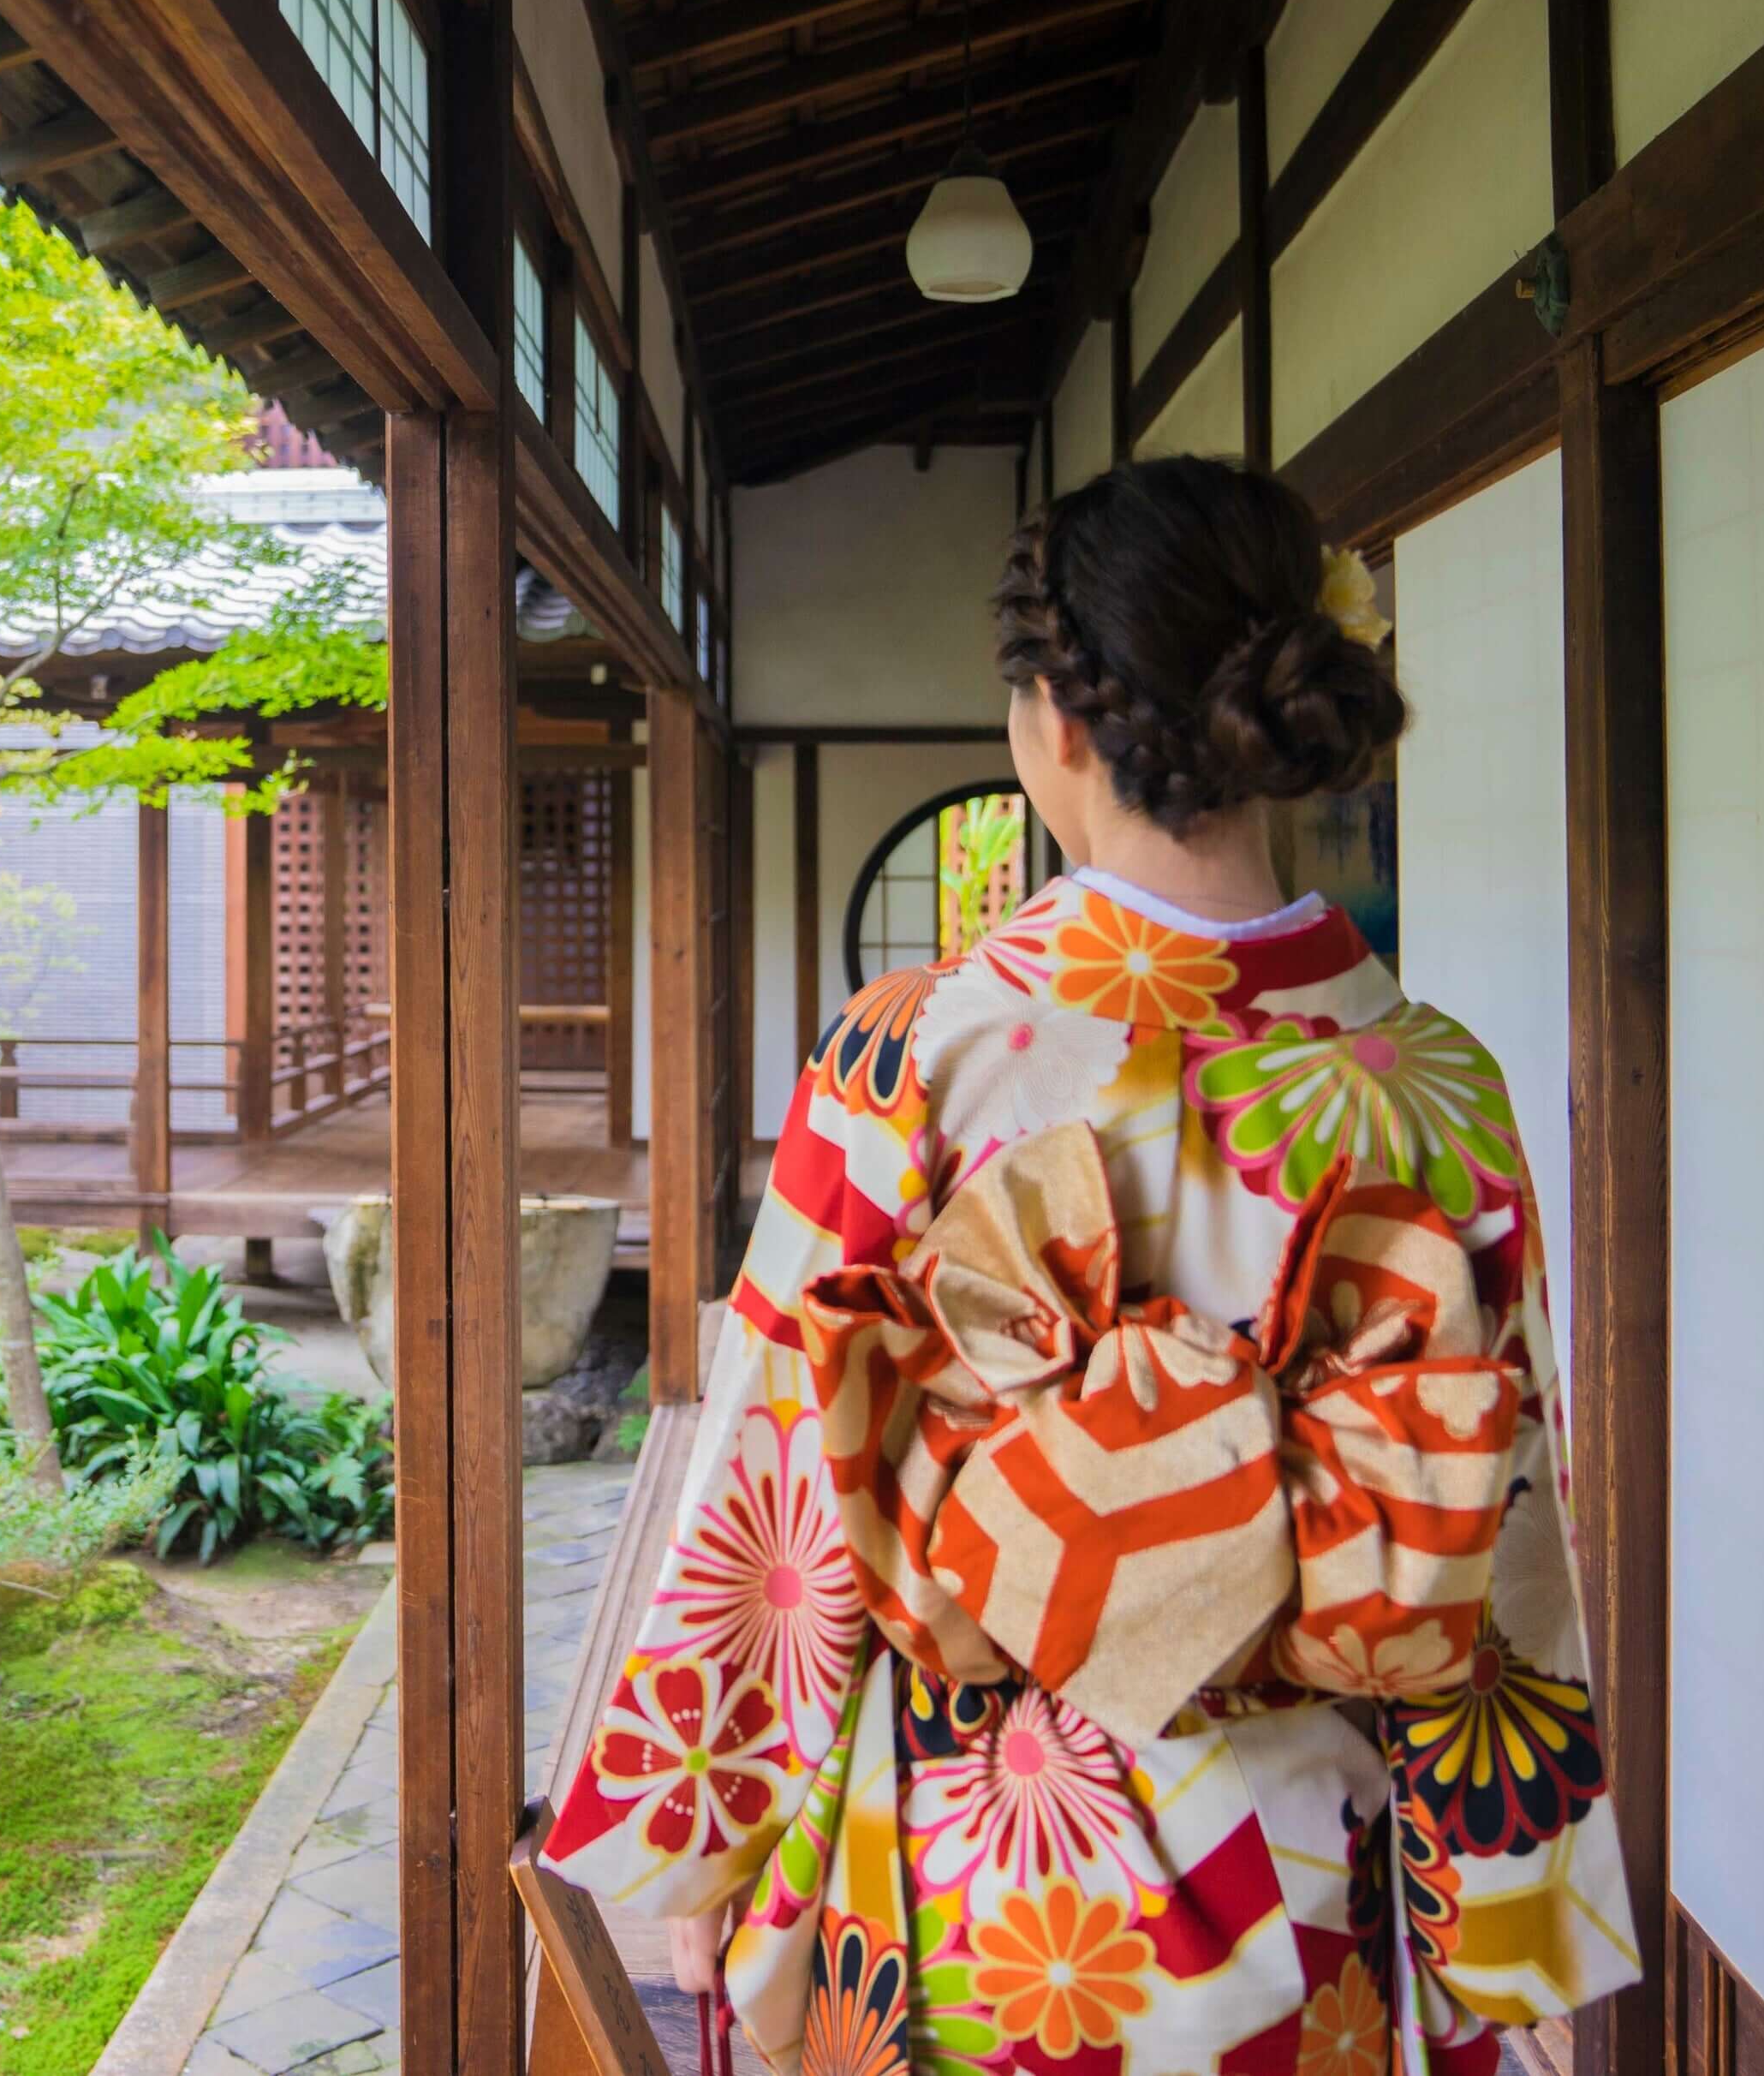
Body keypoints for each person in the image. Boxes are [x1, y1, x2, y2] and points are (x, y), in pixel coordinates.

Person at [537, 456, 1636, 2073]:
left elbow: (779, 1471)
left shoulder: (920, 1053)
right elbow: (1500, 1511)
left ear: (1056, 719)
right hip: (1319, 1878)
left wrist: (709, 1831)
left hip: (993, 1879)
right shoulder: (1439, 1079)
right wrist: (1507, 1888)